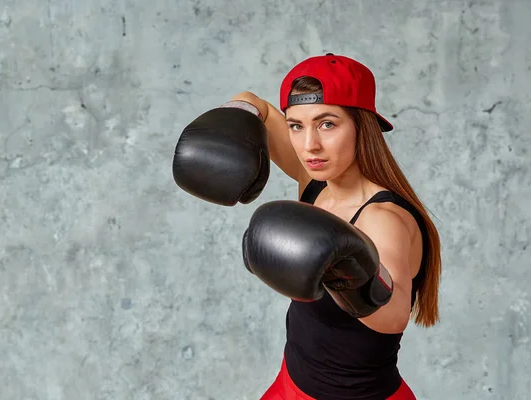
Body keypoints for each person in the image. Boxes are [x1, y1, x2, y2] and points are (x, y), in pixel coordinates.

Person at [172, 53, 442, 400]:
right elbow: (261, 108)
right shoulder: (315, 180)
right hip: (291, 384)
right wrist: (240, 111)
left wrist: (348, 269)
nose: (308, 145)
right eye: (296, 125)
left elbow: (394, 317)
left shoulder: (384, 219)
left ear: (363, 125)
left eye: (327, 123)